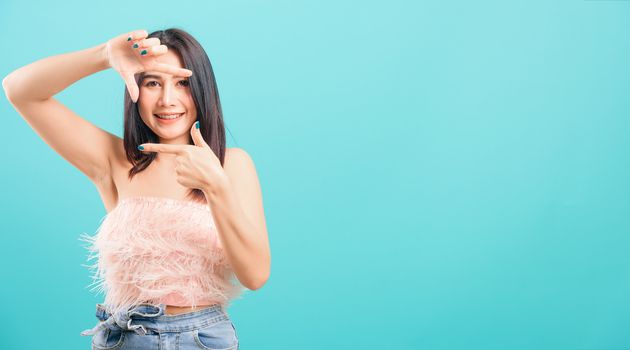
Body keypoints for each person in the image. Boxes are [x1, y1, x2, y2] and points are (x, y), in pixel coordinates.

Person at [2, 28, 271, 349]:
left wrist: (216, 187)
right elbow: (19, 90)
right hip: (124, 337)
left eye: (182, 83)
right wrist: (102, 56)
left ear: (202, 90)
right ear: (134, 88)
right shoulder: (114, 159)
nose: (167, 100)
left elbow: (254, 276)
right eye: (153, 82)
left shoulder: (232, 164)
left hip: (201, 338)